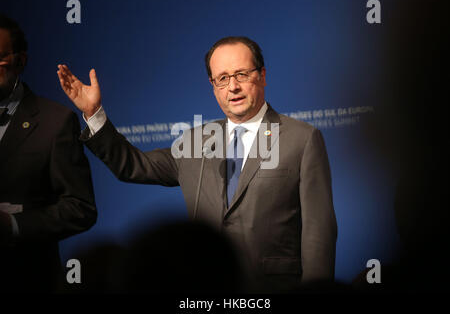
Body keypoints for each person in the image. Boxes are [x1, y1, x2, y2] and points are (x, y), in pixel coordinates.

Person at [57, 36, 337, 292]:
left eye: (241, 74)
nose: (233, 87)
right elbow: (132, 165)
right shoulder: (195, 141)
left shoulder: (301, 139)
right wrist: (94, 114)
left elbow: (318, 232)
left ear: (262, 76)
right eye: (222, 78)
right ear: (213, 86)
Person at [0, 14, 97, 292]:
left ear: (21, 62)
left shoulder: (55, 121)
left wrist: (14, 225)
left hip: (25, 278)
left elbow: (81, 209)